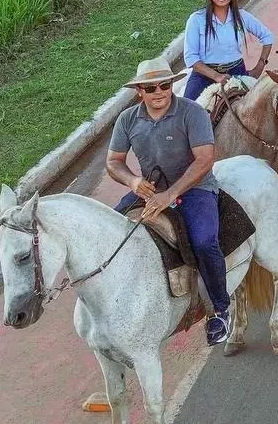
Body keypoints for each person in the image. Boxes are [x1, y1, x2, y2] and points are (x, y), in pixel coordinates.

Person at [107, 57, 231, 345]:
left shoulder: (193, 113)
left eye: (164, 85)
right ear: (140, 92)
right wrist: (134, 181)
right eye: (151, 88)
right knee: (113, 234)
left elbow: (204, 160)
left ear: (172, 85)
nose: (159, 92)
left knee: (203, 242)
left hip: (195, 189)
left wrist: (171, 194)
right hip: (150, 188)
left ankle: (221, 308)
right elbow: (113, 162)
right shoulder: (127, 120)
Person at [182, 0, 274, 102]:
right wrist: (217, 76)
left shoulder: (241, 16)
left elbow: (267, 36)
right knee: (187, 109)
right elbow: (191, 57)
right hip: (204, 75)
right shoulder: (197, 19)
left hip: (237, 72)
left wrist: (260, 64)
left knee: (260, 108)